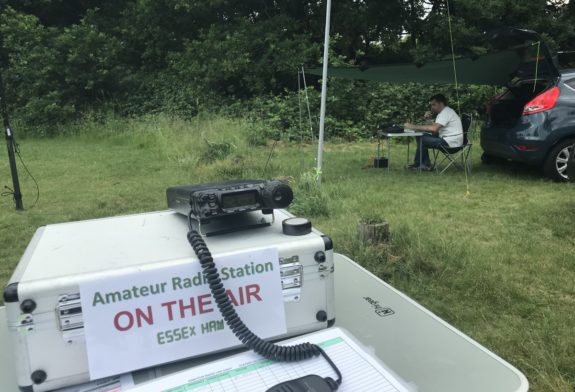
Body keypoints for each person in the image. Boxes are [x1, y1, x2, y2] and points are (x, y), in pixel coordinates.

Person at [403, 94, 463, 170]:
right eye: (431, 105)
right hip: (448, 140)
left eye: (434, 105)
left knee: (422, 138)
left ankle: (422, 165)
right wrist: (428, 120)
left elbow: (434, 129)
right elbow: (435, 132)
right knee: (421, 135)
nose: (432, 107)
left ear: (441, 103)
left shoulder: (446, 112)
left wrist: (413, 126)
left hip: (451, 144)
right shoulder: (443, 113)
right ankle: (422, 164)